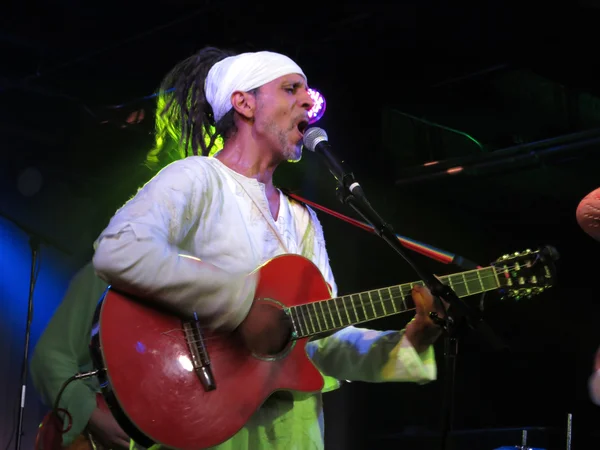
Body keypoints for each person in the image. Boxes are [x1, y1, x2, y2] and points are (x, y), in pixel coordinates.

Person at [31, 46, 446, 450]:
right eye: (291, 89)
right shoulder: (196, 179)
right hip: (205, 423)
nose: (307, 101)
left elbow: (322, 342)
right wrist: (243, 304)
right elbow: (118, 250)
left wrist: (409, 341)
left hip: (294, 436)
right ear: (244, 103)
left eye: (307, 91)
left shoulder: (303, 219)